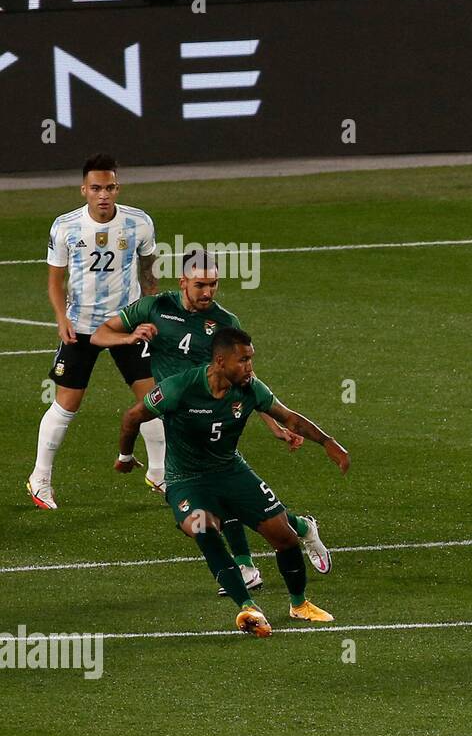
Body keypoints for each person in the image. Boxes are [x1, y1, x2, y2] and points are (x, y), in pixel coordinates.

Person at [91, 249, 314, 594]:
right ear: (183, 282)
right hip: (176, 410)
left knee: (217, 483)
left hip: (216, 410)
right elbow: (99, 334)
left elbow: (245, 376)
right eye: (200, 284)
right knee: (217, 485)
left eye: (213, 284)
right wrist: (129, 338)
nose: (208, 292)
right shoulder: (154, 307)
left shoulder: (226, 321)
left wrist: (273, 422)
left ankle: (246, 566)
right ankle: (297, 527)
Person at [116, 328, 349, 637]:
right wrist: (125, 455)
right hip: (187, 480)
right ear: (221, 360)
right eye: (244, 360)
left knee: (285, 537)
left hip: (230, 470)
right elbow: (133, 417)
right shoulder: (179, 388)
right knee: (203, 528)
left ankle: (300, 605)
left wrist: (328, 442)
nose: (250, 367)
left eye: (251, 359)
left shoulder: (250, 387)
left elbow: (288, 417)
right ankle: (248, 606)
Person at [27, 154, 162, 510]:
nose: (103, 194)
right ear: (84, 189)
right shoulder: (65, 227)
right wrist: (61, 318)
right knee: (67, 404)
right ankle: (40, 478)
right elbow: (55, 281)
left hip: (127, 322)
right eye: (96, 188)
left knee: (152, 399)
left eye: (110, 187)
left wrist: (154, 315)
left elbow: (148, 275)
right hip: (82, 327)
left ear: (118, 188)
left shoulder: (140, 223)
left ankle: (160, 474)